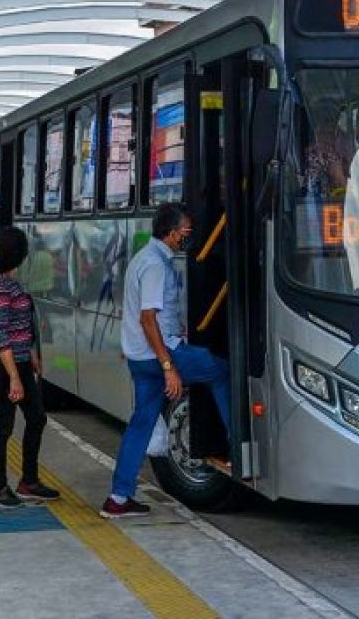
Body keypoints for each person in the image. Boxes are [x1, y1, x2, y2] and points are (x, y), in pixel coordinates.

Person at [102, 203, 231, 519]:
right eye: (186, 229)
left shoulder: (144, 258)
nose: (189, 234)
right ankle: (233, 446)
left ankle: (118, 499)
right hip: (158, 355)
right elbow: (148, 319)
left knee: (141, 424)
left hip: (142, 356)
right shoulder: (157, 265)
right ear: (172, 232)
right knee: (222, 371)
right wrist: (169, 367)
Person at [0, 227, 60, 509]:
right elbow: (0, 334)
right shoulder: (1, 288)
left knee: (37, 418)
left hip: (20, 361)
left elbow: (19, 328)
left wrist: (31, 355)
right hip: (1, 366)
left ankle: (28, 482)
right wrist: (14, 376)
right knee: (4, 426)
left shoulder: (5, 282)